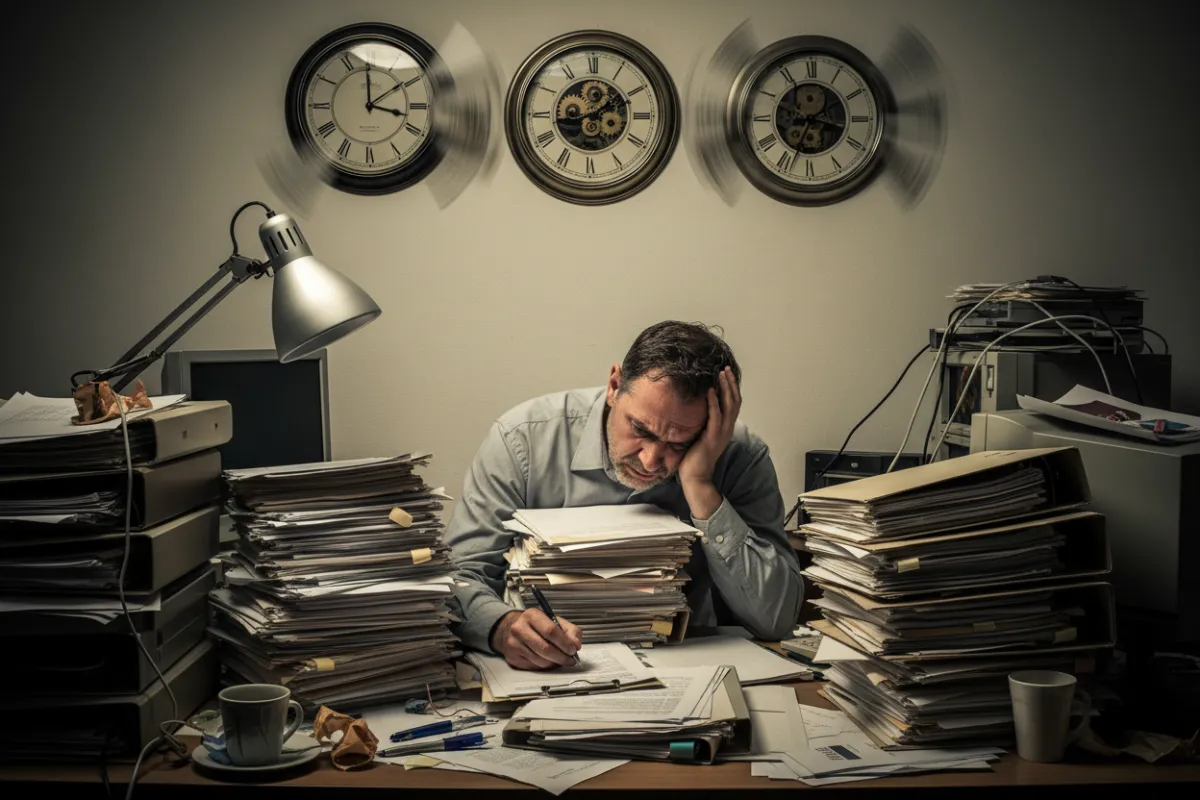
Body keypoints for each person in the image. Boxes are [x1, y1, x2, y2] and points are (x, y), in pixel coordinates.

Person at [445, 321, 804, 670]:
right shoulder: (521, 440)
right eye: (640, 429)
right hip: (547, 671)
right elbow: (462, 576)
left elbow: (776, 620)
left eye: (679, 443)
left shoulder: (738, 455)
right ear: (615, 385)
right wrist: (501, 627)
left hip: (687, 666)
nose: (650, 460)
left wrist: (700, 483)